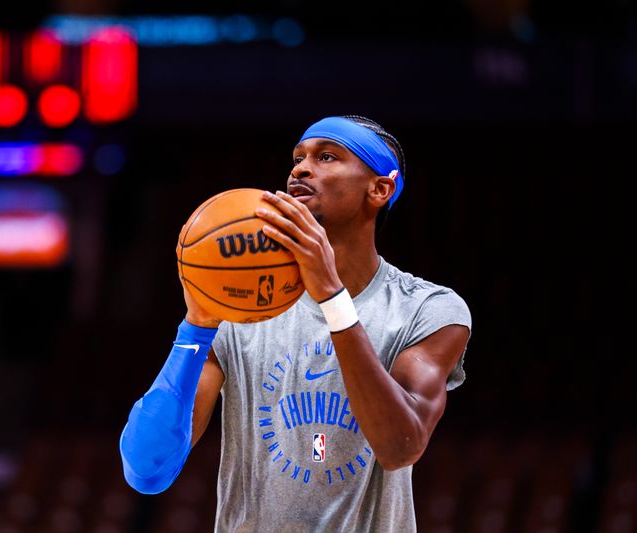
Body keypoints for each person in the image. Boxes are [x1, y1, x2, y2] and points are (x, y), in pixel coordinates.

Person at [120, 115, 472, 532]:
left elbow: (399, 446)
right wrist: (196, 326)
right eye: (297, 158)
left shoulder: (428, 309)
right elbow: (147, 471)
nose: (300, 169)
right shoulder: (244, 308)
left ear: (379, 189)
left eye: (326, 156)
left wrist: (331, 297)